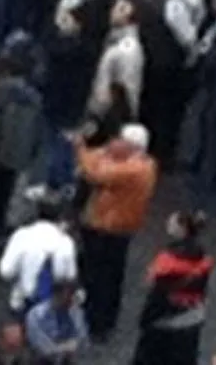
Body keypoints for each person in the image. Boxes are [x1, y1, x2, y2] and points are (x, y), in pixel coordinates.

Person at [77, 123, 160, 340]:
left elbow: (95, 173)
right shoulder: (142, 164)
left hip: (109, 227)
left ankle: (98, 323)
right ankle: (101, 318)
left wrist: (80, 148)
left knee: (102, 276)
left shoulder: (134, 169)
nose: (113, 143)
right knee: (108, 274)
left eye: (120, 140)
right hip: (116, 226)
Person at [131, 211, 214, 365]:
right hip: (192, 318)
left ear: (182, 229)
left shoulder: (168, 262)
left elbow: (158, 293)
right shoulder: (202, 259)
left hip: (165, 322)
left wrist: (146, 319)